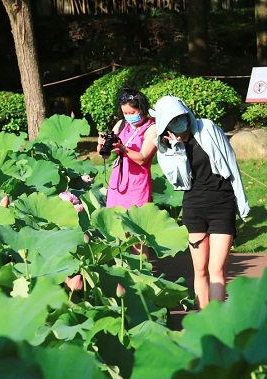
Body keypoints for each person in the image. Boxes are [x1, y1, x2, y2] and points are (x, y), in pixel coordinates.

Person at [150, 95, 250, 309]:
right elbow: (180, 180)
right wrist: (177, 150)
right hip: (194, 207)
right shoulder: (165, 149)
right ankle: (204, 319)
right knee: (200, 270)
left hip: (222, 203)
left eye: (181, 116)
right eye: (173, 120)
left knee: (216, 269)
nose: (179, 121)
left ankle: (216, 320)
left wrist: (241, 202)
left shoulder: (208, 128)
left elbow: (231, 162)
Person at [97, 87, 157, 256]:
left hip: (137, 184)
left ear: (142, 109)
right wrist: (103, 143)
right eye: (125, 113)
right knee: (116, 229)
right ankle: (121, 273)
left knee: (136, 232)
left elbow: (143, 158)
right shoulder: (121, 124)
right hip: (118, 182)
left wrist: (123, 148)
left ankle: (141, 274)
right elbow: (106, 153)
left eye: (132, 112)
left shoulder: (152, 128)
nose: (129, 116)